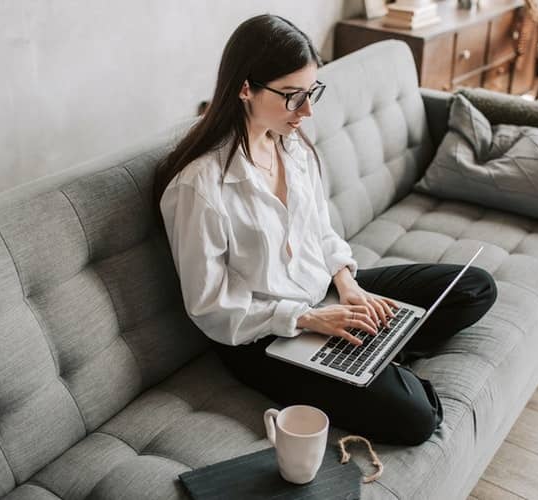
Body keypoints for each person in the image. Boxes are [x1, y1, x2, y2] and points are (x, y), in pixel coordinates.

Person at [154, 14, 497, 446]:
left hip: (325, 295)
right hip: (264, 336)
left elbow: (321, 231)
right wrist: (309, 319)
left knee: (475, 287)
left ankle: (371, 350)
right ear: (246, 88)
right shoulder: (199, 187)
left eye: (312, 92)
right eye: (294, 96)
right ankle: (373, 356)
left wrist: (348, 284)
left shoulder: (291, 145)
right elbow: (211, 308)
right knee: (417, 419)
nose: (308, 110)